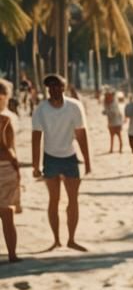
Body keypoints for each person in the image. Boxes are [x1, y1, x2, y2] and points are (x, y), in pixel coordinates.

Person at [30, 74, 91, 251]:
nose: (54, 89)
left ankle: (71, 239)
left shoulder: (74, 106)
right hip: (50, 158)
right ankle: (56, 239)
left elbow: (81, 134)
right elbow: (36, 137)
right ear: (47, 89)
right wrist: (36, 165)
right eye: (51, 87)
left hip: (70, 157)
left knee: (73, 200)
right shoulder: (41, 109)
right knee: (54, 200)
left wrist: (87, 161)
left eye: (57, 86)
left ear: (64, 87)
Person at [0, 80, 21, 261]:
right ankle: (12, 255)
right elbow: (7, 147)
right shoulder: (6, 119)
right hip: (5, 167)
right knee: (7, 214)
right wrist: (16, 165)